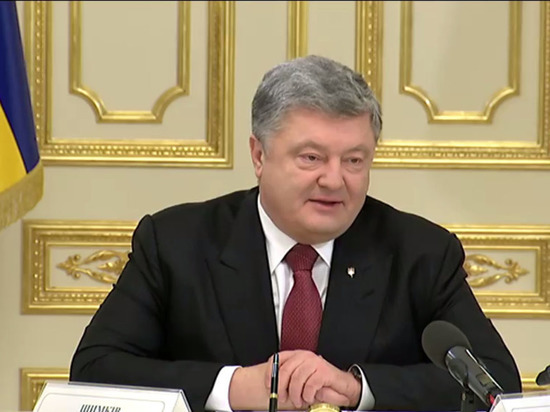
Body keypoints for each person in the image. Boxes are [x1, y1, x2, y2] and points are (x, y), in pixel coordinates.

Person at [70, 55, 521, 412]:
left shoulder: (421, 252)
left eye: (354, 160)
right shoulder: (175, 242)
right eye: (311, 158)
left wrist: (356, 389)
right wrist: (235, 386)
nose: (334, 180)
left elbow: (496, 382)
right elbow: (94, 368)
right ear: (259, 155)